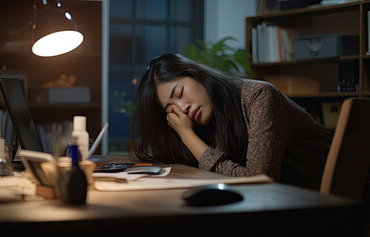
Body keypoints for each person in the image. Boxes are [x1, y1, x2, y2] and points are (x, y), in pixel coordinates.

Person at [130, 53, 333, 190]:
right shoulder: (208, 123)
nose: (183, 107)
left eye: (181, 92)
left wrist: (187, 135)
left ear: (195, 75)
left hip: (323, 201)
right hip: (283, 203)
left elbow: (258, 180)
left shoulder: (259, 96)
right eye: (171, 108)